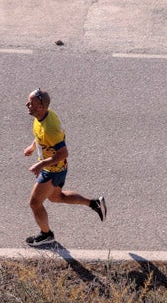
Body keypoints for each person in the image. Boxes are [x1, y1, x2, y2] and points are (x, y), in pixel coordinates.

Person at [23, 87, 106, 246]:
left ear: (40, 107)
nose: (27, 104)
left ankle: (46, 234)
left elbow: (63, 153)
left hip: (52, 170)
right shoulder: (43, 116)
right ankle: (94, 204)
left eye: (30, 103)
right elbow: (40, 135)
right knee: (56, 197)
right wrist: (33, 147)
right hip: (58, 169)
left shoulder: (51, 129)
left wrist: (41, 164)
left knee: (34, 203)